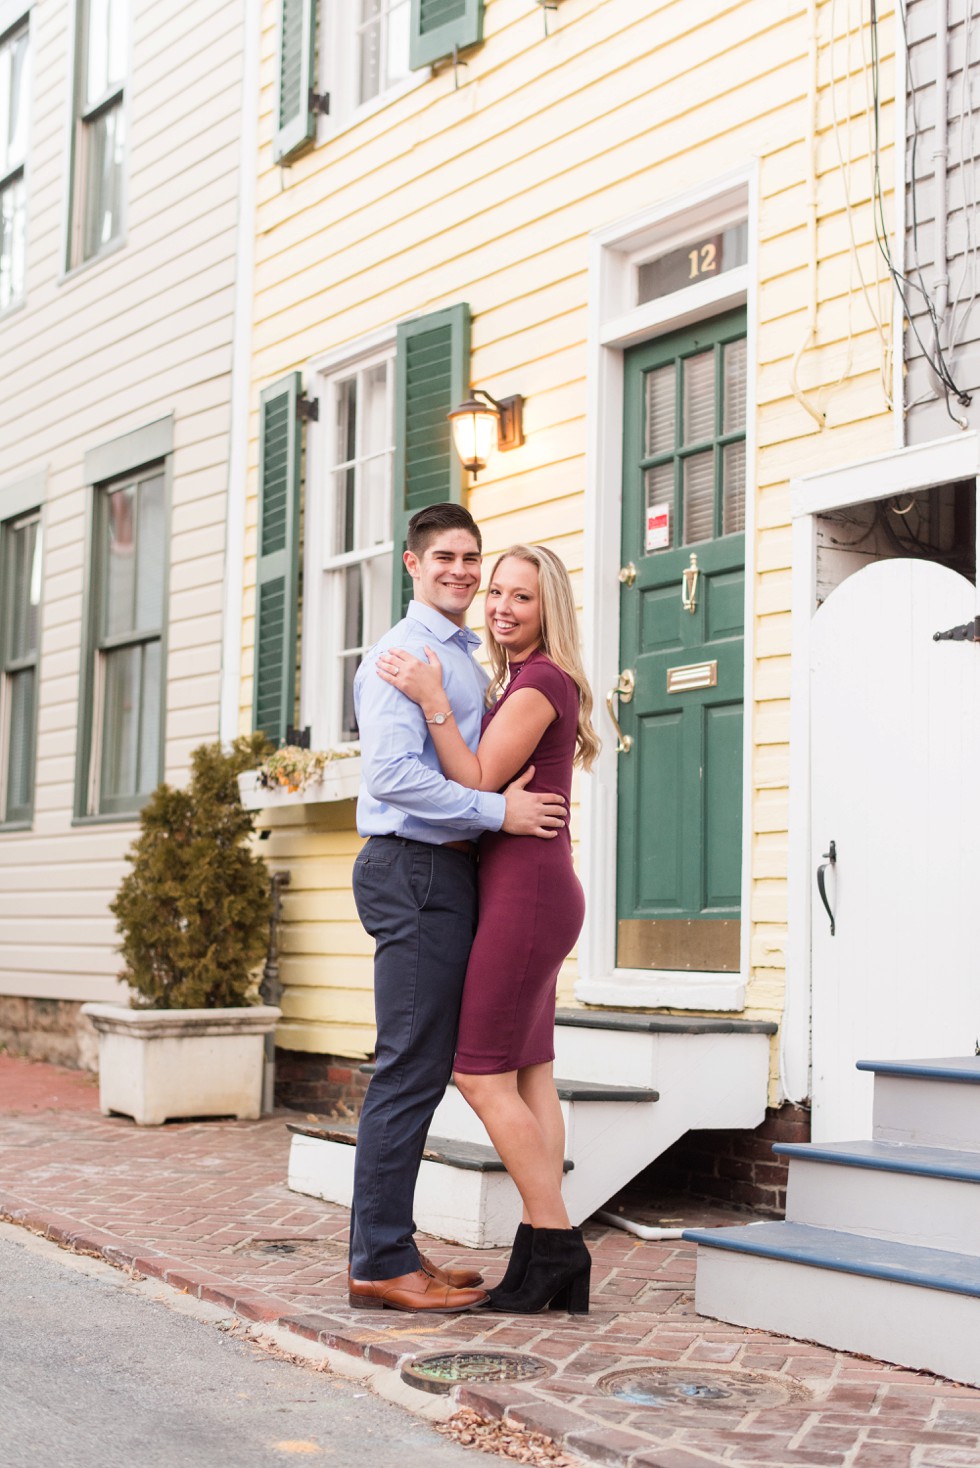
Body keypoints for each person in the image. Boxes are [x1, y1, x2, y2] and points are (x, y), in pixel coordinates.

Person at [347, 504, 569, 1314]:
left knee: (425, 1067)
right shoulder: (403, 656)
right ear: (412, 563)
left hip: (445, 874)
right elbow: (394, 781)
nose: (463, 572)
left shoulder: (463, 658)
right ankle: (379, 1260)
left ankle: (394, 1249)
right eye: (445, 556)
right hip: (413, 870)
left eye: (471, 558)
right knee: (408, 1068)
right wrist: (497, 815)